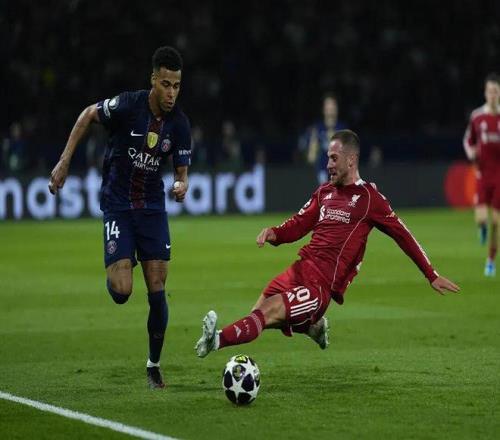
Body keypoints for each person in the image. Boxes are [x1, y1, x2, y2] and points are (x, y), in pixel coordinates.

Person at [195, 129, 459, 357]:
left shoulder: (369, 198)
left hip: (318, 286)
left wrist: (430, 274)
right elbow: (299, 224)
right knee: (258, 313)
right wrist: (274, 233)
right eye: (327, 158)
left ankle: (215, 341)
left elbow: (403, 234)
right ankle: (312, 328)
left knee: (267, 314)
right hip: (298, 270)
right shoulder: (325, 191)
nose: (328, 164)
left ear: (351, 159)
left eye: (333, 158)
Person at [49, 46, 191, 388]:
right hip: (118, 204)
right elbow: (88, 114)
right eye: (166, 84)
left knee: (157, 286)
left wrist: (181, 186)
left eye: (176, 86)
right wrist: (64, 161)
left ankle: (153, 365)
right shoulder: (128, 105)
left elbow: (181, 173)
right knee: (122, 289)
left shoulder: (180, 124)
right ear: (153, 80)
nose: (171, 93)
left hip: (152, 207)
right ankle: (119, 267)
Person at [463, 73, 500, 277]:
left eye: (496, 91)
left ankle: (490, 261)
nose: (492, 95)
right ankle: (481, 228)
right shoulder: (477, 116)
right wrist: (470, 152)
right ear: (485, 93)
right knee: (481, 219)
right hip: (482, 174)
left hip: (499, 176)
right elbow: (468, 139)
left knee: (496, 223)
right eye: (490, 91)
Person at [303, 93, 346, 184]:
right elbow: (311, 158)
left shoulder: (343, 129)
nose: (330, 109)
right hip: (321, 174)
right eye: (327, 106)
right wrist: (314, 146)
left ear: (337, 108)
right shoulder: (317, 129)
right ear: (323, 109)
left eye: (332, 106)